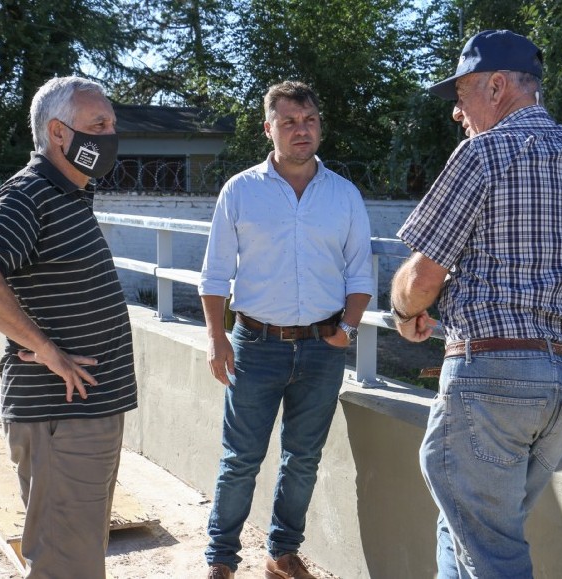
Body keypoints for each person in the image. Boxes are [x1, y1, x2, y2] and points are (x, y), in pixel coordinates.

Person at [390, 30, 562, 578]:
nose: (456, 114)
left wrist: (402, 311)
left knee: (493, 555)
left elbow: (423, 276)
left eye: (461, 96)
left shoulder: (482, 153)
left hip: (491, 378)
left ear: (495, 85)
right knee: (465, 527)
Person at [0, 76, 137, 578]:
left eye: (112, 124)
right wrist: (46, 349)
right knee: (65, 564)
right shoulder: (31, 192)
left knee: (78, 555)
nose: (110, 135)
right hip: (61, 421)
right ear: (59, 134)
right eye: (98, 125)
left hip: (83, 417)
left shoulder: (69, 194)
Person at [199, 80, 374, 579]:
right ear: (268, 128)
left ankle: (281, 552)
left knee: (302, 459)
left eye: (311, 120)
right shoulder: (240, 191)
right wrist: (216, 339)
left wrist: (348, 328)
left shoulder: (343, 194)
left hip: (322, 349)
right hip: (254, 346)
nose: (303, 130)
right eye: (291, 121)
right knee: (241, 460)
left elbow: (360, 272)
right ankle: (221, 559)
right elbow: (214, 274)